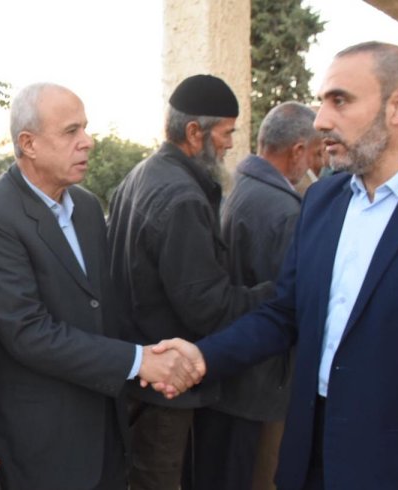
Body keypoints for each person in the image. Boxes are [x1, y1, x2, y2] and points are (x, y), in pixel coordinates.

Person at [157, 41, 398, 490]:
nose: (321, 120)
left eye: (340, 100)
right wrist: (204, 356)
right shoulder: (323, 201)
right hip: (310, 459)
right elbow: (285, 313)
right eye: (322, 101)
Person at [0, 83, 199, 490]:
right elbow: (28, 332)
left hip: (106, 433)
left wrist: (162, 355)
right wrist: (139, 361)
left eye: (85, 128)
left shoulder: (86, 207)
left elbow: (104, 310)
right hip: (45, 446)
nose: (87, 141)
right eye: (71, 131)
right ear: (28, 144)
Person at [106, 75, 274, 490]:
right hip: (166, 385)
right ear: (195, 132)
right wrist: (276, 296)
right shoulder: (182, 198)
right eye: (226, 133)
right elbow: (207, 307)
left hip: (138, 374)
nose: (231, 144)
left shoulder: (142, 173)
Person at [197, 102, 320, 490]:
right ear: (297, 151)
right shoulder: (284, 209)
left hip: (230, 367)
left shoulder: (238, 185)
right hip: (261, 382)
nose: (317, 164)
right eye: (315, 153)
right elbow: (288, 304)